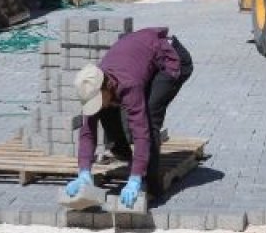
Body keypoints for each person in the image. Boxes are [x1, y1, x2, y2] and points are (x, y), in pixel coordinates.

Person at [64, 27, 193, 207]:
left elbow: (141, 132)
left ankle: (150, 186)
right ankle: (135, 162)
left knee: (148, 116)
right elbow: (88, 132)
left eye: (97, 99)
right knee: (106, 111)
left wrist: (134, 178)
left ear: (107, 86)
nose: (96, 104)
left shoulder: (128, 85)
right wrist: (83, 172)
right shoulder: (94, 84)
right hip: (144, 59)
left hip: (170, 59)